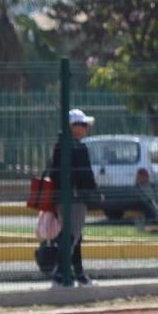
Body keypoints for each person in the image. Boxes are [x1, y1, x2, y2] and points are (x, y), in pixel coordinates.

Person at [48, 108, 98, 285]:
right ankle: (61, 271)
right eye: (83, 124)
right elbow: (85, 175)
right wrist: (95, 192)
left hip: (61, 198)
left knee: (74, 236)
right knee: (72, 236)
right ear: (73, 127)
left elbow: (54, 173)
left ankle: (79, 273)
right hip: (77, 199)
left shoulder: (59, 145)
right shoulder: (79, 147)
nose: (85, 128)